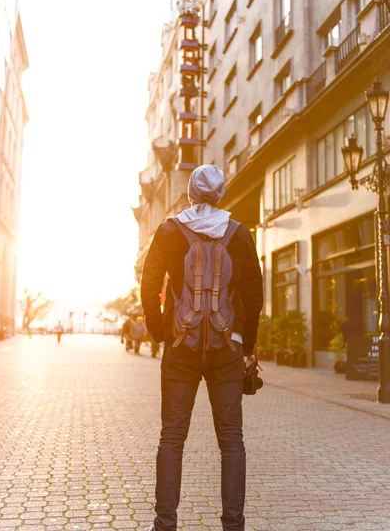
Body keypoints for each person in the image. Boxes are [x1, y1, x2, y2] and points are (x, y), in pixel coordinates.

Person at [141, 164, 263, 531]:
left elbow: (149, 283)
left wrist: (158, 330)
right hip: (228, 348)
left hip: (181, 346)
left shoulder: (169, 230)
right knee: (231, 441)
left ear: (192, 192)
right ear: (221, 193)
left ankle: (165, 524)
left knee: (172, 438)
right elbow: (254, 294)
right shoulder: (239, 233)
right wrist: (248, 345)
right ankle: (233, 524)